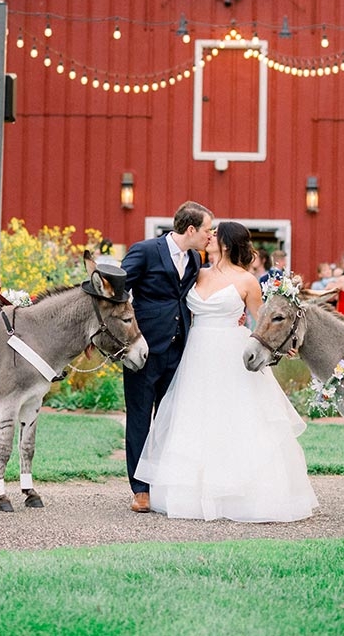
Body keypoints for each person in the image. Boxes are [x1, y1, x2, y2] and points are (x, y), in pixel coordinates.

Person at [134, 221, 318, 522]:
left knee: (234, 419)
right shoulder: (198, 272)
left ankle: (239, 494)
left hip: (231, 353)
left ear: (228, 243)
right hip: (195, 353)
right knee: (193, 417)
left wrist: (285, 345)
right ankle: (189, 493)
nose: (209, 237)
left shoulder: (247, 281)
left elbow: (263, 321)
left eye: (215, 234)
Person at [121, 200, 214, 513]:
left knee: (170, 420)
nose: (210, 237)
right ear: (191, 229)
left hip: (179, 350)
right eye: (207, 230)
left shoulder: (196, 258)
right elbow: (118, 291)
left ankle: (162, 481)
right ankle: (140, 489)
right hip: (144, 350)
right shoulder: (146, 251)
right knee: (140, 419)